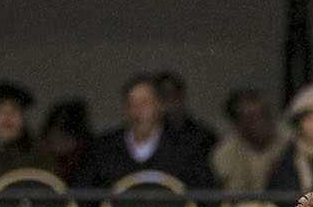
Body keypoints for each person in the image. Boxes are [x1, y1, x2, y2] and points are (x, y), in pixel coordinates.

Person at [73, 72, 217, 190]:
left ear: (160, 107)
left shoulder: (185, 149)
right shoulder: (104, 148)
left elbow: (207, 196)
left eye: (143, 104)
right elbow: (83, 196)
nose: (136, 113)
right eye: (131, 105)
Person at [210, 88, 289, 194]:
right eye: (251, 117)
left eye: (264, 114)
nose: (261, 121)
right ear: (237, 124)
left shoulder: (290, 141)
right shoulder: (224, 154)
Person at [154, 70, 219, 163]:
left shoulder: (203, 137)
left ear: (181, 96)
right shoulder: (151, 137)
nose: (171, 101)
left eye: (174, 94)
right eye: (165, 95)